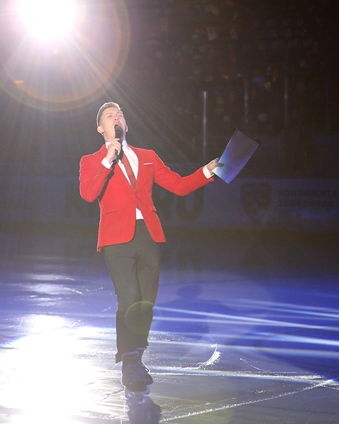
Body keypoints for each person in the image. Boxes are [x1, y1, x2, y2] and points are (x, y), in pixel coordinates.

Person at [79, 102, 222, 393]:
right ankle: (129, 362)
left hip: (148, 234)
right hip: (116, 237)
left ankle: (137, 357)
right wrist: (108, 159)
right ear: (100, 128)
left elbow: (179, 185)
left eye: (120, 115)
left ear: (126, 125)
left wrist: (207, 171)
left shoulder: (147, 156)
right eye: (109, 116)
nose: (116, 118)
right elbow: (88, 193)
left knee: (145, 302)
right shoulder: (91, 160)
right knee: (129, 298)